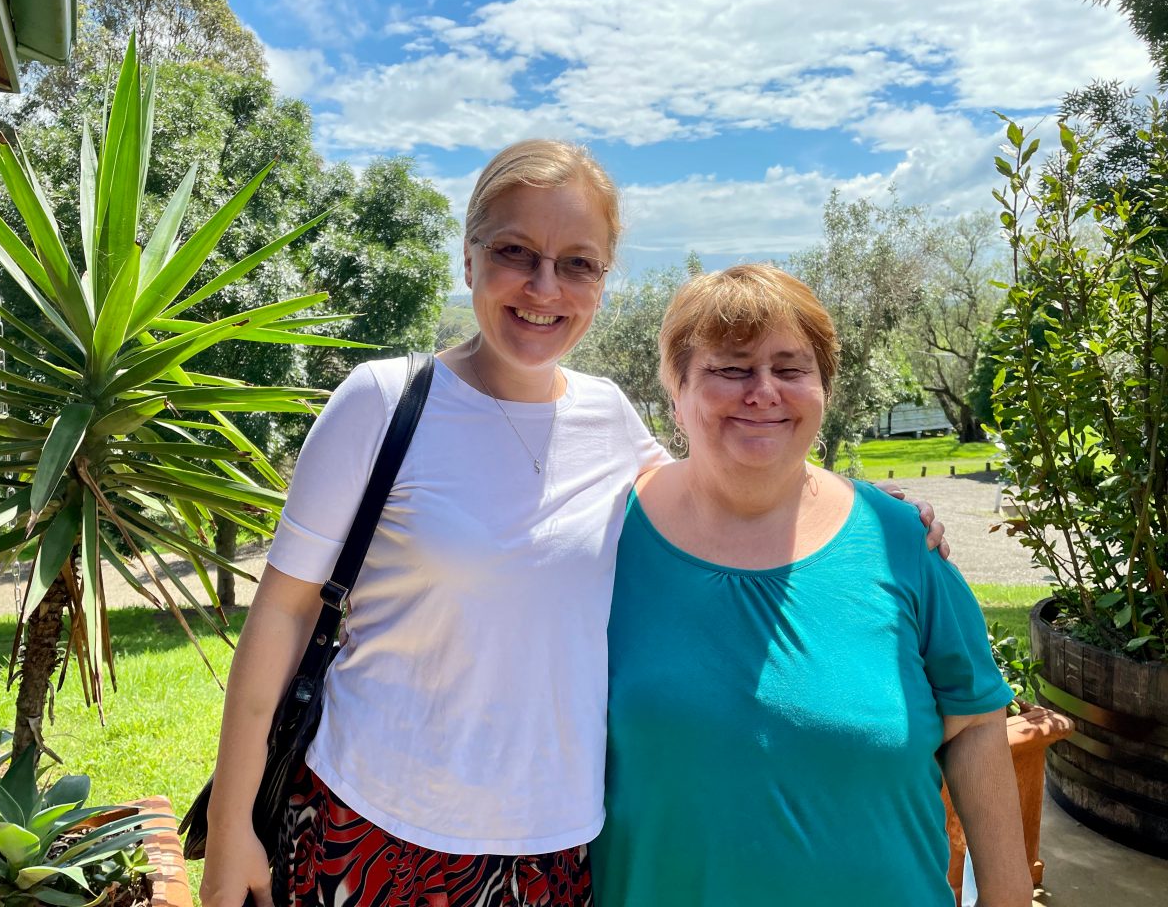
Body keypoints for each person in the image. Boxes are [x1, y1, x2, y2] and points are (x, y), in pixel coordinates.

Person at [199, 143, 946, 907]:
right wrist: (231, 822)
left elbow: (722, 486)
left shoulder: (609, 416)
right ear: (468, 257)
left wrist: (864, 509)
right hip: (372, 820)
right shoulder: (381, 402)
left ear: (603, 280)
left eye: (578, 264)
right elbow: (283, 615)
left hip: (554, 851)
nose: (544, 287)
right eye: (515, 252)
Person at [591, 264, 1031, 907]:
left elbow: (975, 723)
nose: (763, 392)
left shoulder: (901, 541)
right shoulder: (602, 542)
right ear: (675, 387)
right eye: (731, 368)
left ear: (823, 386)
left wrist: (1006, 897)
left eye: (791, 369)